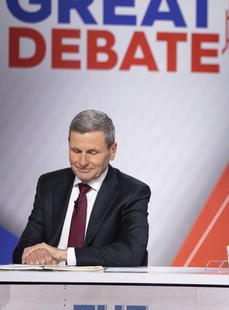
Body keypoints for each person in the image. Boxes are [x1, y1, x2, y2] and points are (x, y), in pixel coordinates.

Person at [13, 110, 150, 267]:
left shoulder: (132, 192)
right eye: (76, 151)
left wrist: (62, 254)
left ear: (112, 151)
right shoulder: (48, 185)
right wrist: (34, 255)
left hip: (102, 289)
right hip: (49, 287)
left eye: (92, 152)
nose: (82, 162)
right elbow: (22, 250)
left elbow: (131, 254)